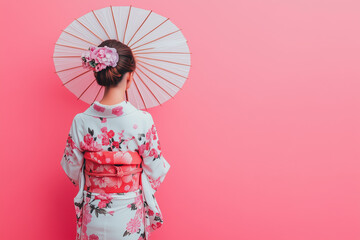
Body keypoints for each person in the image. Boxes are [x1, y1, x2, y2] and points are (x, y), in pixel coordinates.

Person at [60, 39, 171, 240]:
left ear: (98, 73)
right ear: (129, 77)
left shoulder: (81, 121)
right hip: (129, 211)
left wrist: (99, 178)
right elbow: (156, 170)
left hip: (93, 210)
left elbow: (71, 168)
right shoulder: (142, 120)